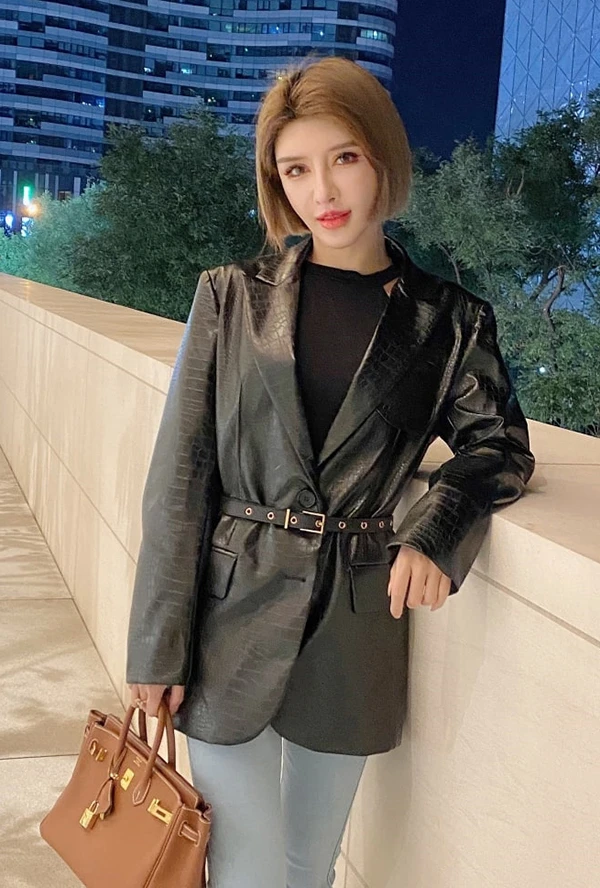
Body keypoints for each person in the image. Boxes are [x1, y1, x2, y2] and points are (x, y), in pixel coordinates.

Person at [126, 56, 535, 887]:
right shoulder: (230, 297)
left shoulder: (449, 321)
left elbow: (499, 446)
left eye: (343, 157)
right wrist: (155, 647)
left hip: (355, 619)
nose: (324, 190)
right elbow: (180, 480)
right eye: (296, 169)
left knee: (307, 867)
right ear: (277, 182)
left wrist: (437, 528)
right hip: (227, 618)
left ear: (381, 157)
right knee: (244, 868)